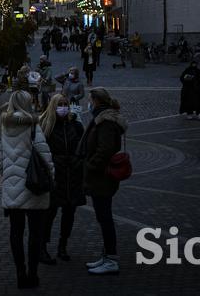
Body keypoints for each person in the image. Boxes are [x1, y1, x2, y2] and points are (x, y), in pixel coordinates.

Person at [0, 89, 54, 289]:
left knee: (16, 232)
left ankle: (20, 273)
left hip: (13, 185)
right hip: (34, 186)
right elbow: (44, 154)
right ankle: (33, 273)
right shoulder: (32, 125)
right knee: (35, 233)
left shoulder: (3, 125)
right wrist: (51, 175)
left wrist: (9, 176)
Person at [79, 87, 128, 275]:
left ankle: (111, 259)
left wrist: (90, 165)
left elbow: (105, 149)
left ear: (96, 101)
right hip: (100, 177)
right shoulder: (103, 118)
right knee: (102, 217)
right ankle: (106, 256)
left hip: (102, 178)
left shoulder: (106, 122)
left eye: (90, 100)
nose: (88, 103)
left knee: (105, 218)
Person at [39, 94, 84, 264]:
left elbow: (82, 148)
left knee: (69, 213)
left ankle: (62, 246)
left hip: (72, 175)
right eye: (60, 104)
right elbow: (41, 151)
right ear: (53, 106)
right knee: (49, 213)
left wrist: (77, 162)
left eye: (66, 104)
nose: (63, 107)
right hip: (54, 175)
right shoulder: (46, 125)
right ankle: (42, 247)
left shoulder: (75, 126)